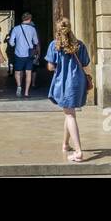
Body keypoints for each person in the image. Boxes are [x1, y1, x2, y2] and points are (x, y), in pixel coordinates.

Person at [45, 17, 91, 162]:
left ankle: (78, 152)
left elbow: (51, 67)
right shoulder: (80, 45)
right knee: (69, 113)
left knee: (70, 115)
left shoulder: (54, 45)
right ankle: (65, 144)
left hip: (63, 83)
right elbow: (86, 65)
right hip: (78, 82)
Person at [7, 12, 40, 97]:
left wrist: (15, 45)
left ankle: (19, 86)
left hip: (19, 54)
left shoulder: (16, 28)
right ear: (29, 20)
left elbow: (11, 42)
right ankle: (26, 92)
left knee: (17, 72)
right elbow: (36, 42)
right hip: (29, 54)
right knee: (28, 72)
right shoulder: (32, 29)